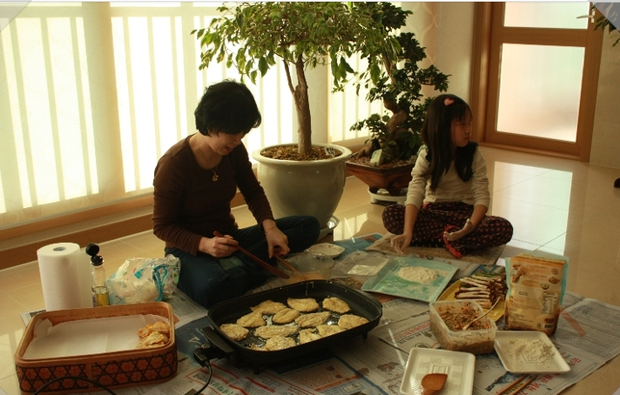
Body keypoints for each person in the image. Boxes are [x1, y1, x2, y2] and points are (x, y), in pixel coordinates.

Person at [152, 80, 321, 308]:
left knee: (308, 226)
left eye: (242, 133)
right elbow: (162, 227)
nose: (237, 140)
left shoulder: (233, 151)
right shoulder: (174, 164)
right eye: (232, 133)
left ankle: (239, 267)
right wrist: (205, 244)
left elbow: (252, 192)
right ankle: (244, 267)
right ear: (211, 124)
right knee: (213, 287)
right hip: (189, 249)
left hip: (230, 240)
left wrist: (270, 228)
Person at [382, 93, 513, 258]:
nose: (468, 129)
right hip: (434, 214)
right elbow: (415, 191)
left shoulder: (473, 153)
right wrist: (408, 232)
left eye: (469, 122)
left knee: (503, 228)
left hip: (464, 216)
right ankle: (455, 239)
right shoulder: (427, 154)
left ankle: (442, 239)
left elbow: (482, 194)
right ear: (441, 126)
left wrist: (470, 226)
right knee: (391, 214)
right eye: (461, 124)